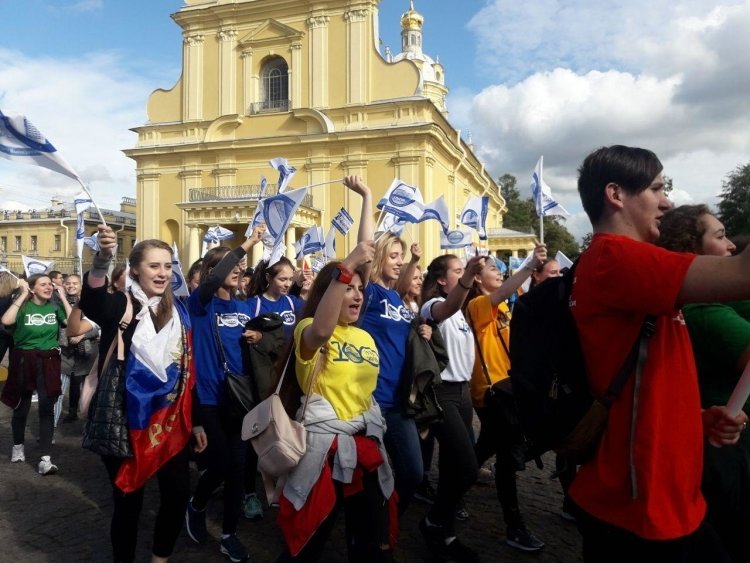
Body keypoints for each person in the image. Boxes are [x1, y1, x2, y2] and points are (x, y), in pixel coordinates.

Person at [570, 145, 750, 562]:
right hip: (643, 509)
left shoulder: (616, 264)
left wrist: (699, 421)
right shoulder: (617, 256)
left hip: (655, 499)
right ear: (616, 194)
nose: (667, 202)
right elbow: (744, 274)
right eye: (657, 188)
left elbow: (644, 384)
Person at [80, 225, 207, 563]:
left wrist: (196, 423)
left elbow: (186, 371)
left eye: (167, 266)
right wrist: (101, 260)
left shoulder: (178, 311)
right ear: (136, 269)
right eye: (154, 266)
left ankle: (159, 558)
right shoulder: (123, 303)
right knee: (128, 502)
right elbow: (92, 302)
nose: (163, 273)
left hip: (169, 419)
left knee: (178, 494)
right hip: (124, 417)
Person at [277, 244, 398, 562]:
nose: (357, 295)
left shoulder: (365, 337)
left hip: (365, 446)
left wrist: (366, 200)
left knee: (371, 542)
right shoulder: (309, 329)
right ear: (329, 292)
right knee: (308, 542)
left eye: (360, 289)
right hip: (324, 452)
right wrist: (348, 265)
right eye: (348, 288)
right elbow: (321, 327)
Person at [657, 204, 750, 562]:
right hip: (718, 455)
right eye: (720, 236)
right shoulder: (703, 312)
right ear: (692, 253)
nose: (730, 247)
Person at [184, 225, 265, 562]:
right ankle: (197, 503)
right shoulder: (199, 306)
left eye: (239, 267)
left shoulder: (244, 308)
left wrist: (258, 340)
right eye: (229, 266)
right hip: (208, 398)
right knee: (221, 465)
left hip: (239, 399)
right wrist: (245, 244)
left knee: (236, 468)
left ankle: (229, 534)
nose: (238, 270)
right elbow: (215, 277)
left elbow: (256, 348)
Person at [466, 246, 547, 552]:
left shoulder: (503, 310)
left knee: (485, 448)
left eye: (499, 267)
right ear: (477, 278)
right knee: (507, 459)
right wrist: (528, 267)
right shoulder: (477, 305)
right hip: (492, 393)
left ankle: (449, 497)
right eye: (491, 268)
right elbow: (501, 294)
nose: (498, 270)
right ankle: (514, 526)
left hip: (509, 390)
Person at [416, 253, 491, 562]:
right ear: (442, 280)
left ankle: (445, 535)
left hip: (461, 393)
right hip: (442, 393)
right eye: (458, 271)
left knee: (450, 469)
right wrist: (468, 277)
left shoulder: (462, 311)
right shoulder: (431, 307)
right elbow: (444, 308)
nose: (466, 275)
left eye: (466, 270)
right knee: (467, 468)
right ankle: (433, 520)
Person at [1, 272, 72, 473]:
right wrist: (23, 294)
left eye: (50, 284)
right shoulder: (23, 307)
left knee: (46, 407)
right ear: (33, 288)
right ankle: (18, 446)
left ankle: (45, 459)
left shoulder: (54, 307)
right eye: (43, 284)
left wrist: (64, 297)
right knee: (21, 406)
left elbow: (71, 322)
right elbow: (6, 320)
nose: (49, 287)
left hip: (49, 361)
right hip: (24, 360)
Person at [57, 274, 99, 423]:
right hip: (67, 348)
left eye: (75, 283)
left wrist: (82, 335)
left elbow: (98, 325)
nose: (71, 286)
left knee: (88, 382)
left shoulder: (91, 302)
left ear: (81, 285)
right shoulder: (58, 302)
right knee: (73, 382)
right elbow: (65, 322)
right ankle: (73, 411)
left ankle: (89, 412)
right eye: (68, 283)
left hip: (88, 349)